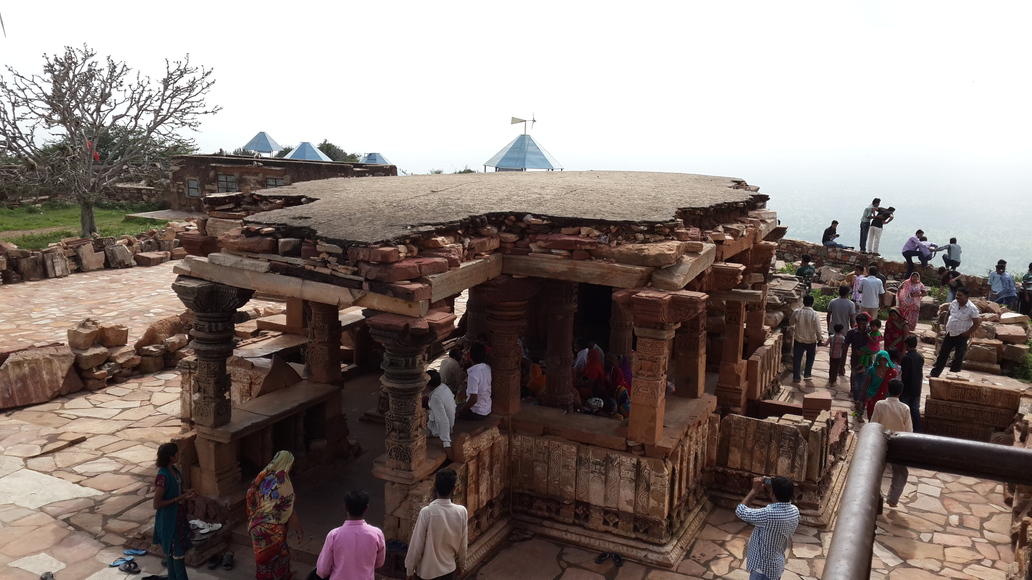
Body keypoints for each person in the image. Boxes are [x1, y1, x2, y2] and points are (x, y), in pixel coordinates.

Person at [247, 451, 303, 580]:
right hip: (273, 530)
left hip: (257, 527)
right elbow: (291, 513)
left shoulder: (261, 478)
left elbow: (250, 497)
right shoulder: (283, 484)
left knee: (263, 561)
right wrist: (299, 531)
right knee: (280, 556)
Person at [405, 469, 468, 580]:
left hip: (428, 573)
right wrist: (461, 565)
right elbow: (463, 546)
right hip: (449, 571)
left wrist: (410, 570)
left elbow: (416, 546)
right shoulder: (461, 512)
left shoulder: (427, 513)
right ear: (454, 489)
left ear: (434, 486)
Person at [736, 476, 800, 580]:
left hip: (762, 571)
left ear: (772, 493)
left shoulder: (769, 514)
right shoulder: (794, 511)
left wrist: (754, 490)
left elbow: (740, 511)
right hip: (776, 566)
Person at [316, 490, 386, 580]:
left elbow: (322, 570)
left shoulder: (334, 535)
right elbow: (379, 563)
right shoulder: (377, 534)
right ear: (366, 508)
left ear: (345, 508)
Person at [152, 442, 195, 580]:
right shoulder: (162, 477)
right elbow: (156, 504)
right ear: (171, 457)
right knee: (177, 555)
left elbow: (176, 491)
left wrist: (186, 493)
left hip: (178, 517)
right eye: (177, 453)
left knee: (172, 555)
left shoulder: (175, 471)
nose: (179, 455)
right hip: (168, 521)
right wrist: (178, 499)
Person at [869, 379, 913, 507]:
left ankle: (874, 496)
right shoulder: (905, 408)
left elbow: (873, 424)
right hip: (898, 443)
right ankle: (893, 499)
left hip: (881, 441)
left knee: (876, 472)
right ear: (901, 392)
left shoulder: (880, 404)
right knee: (901, 472)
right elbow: (909, 430)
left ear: (888, 390)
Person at [930, 287, 981, 377]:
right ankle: (935, 373)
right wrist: (946, 325)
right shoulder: (954, 303)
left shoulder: (972, 308)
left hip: (962, 335)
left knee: (958, 355)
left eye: (960, 295)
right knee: (943, 354)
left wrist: (967, 333)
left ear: (966, 296)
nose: (957, 297)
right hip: (950, 333)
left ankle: (953, 374)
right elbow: (948, 313)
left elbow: (977, 323)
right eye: (957, 295)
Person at [790, 294, 824, 383]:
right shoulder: (814, 314)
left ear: (803, 302)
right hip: (811, 340)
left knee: (797, 358)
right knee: (810, 357)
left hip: (799, 339)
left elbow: (791, 322)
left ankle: (796, 377)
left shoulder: (797, 312)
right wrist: (820, 339)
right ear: (812, 303)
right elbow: (818, 329)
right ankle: (807, 373)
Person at [457, 342, 491, 420]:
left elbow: (473, 399)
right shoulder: (487, 367)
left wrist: (460, 411)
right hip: (486, 407)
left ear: (469, 356)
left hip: (477, 411)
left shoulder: (474, 375)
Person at [861, 350, 898, 420]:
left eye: (884, 360)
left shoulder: (892, 372)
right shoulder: (872, 370)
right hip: (872, 397)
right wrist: (860, 399)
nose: (882, 362)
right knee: (872, 418)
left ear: (887, 360)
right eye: (880, 359)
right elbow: (866, 384)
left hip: (886, 399)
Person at [899, 335, 924, 432]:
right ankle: (917, 430)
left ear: (906, 345)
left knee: (905, 410)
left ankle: (904, 429)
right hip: (917, 387)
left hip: (907, 388)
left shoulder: (906, 358)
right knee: (915, 410)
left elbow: (904, 375)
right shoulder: (920, 357)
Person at [426, 370, 456, 449]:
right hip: (450, 423)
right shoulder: (444, 387)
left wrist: (446, 443)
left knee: (412, 431)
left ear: (428, 384)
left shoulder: (436, 398)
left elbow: (442, 420)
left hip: (437, 430)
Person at [846, 313, 871, 405]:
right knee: (856, 385)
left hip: (867, 361)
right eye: (859, 323)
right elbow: (845, 347)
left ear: (867, 323)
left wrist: (864, 353)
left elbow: (875, 348)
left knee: (864, 384)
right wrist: (841, 365)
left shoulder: (870, 333)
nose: (861, 326)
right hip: (855, 361)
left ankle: (862, 403)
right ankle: (857, 401)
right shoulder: (851, 333)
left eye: (863, 323)